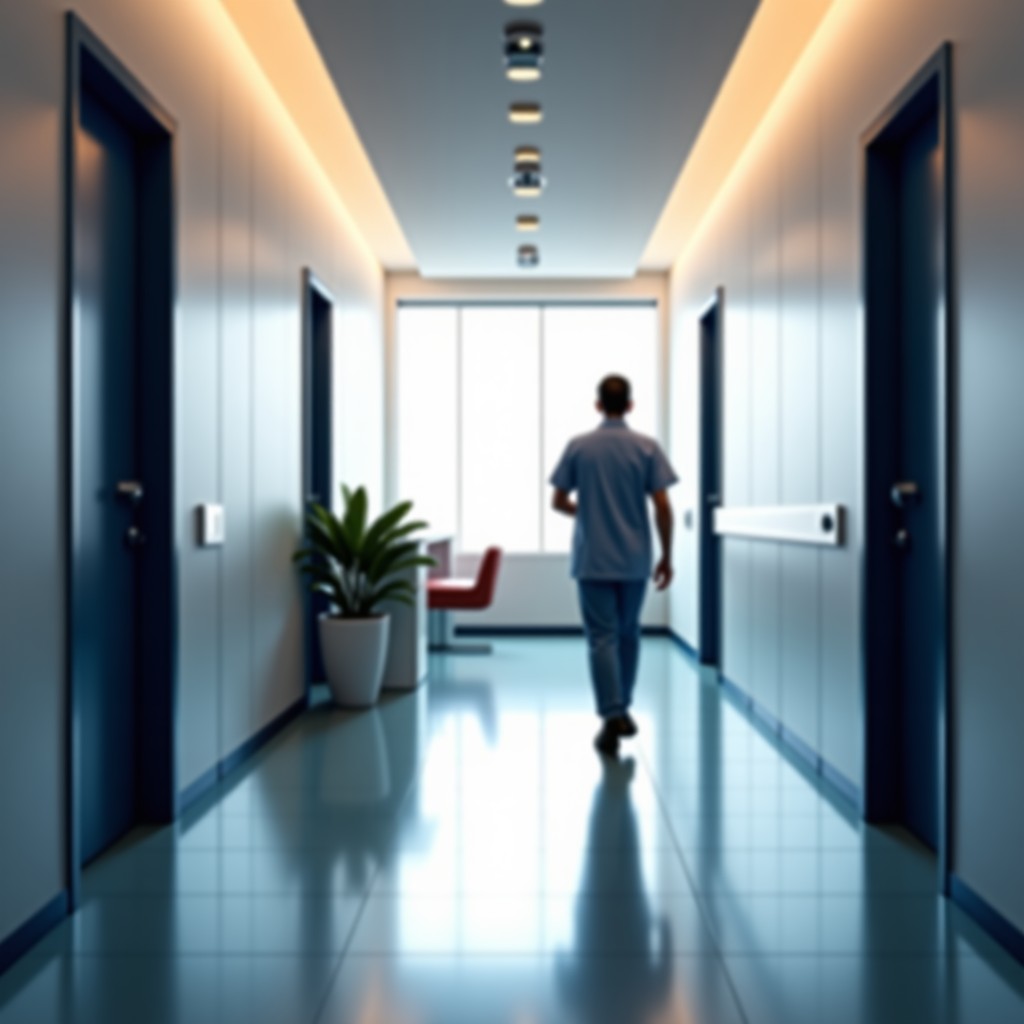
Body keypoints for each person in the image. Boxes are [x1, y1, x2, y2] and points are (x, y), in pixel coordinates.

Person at [549, 374, 678, 755]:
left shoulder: (579, 446)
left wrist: (585, 511)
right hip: (635, 558)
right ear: (631, 405)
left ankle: (612, 714)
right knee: (628, 633)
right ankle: (622, 709)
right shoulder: (647, 447)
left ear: (598, 405)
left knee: (601, 638)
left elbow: (557, 501)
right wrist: (667, 556)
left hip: (593, 559)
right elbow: (663, 506)